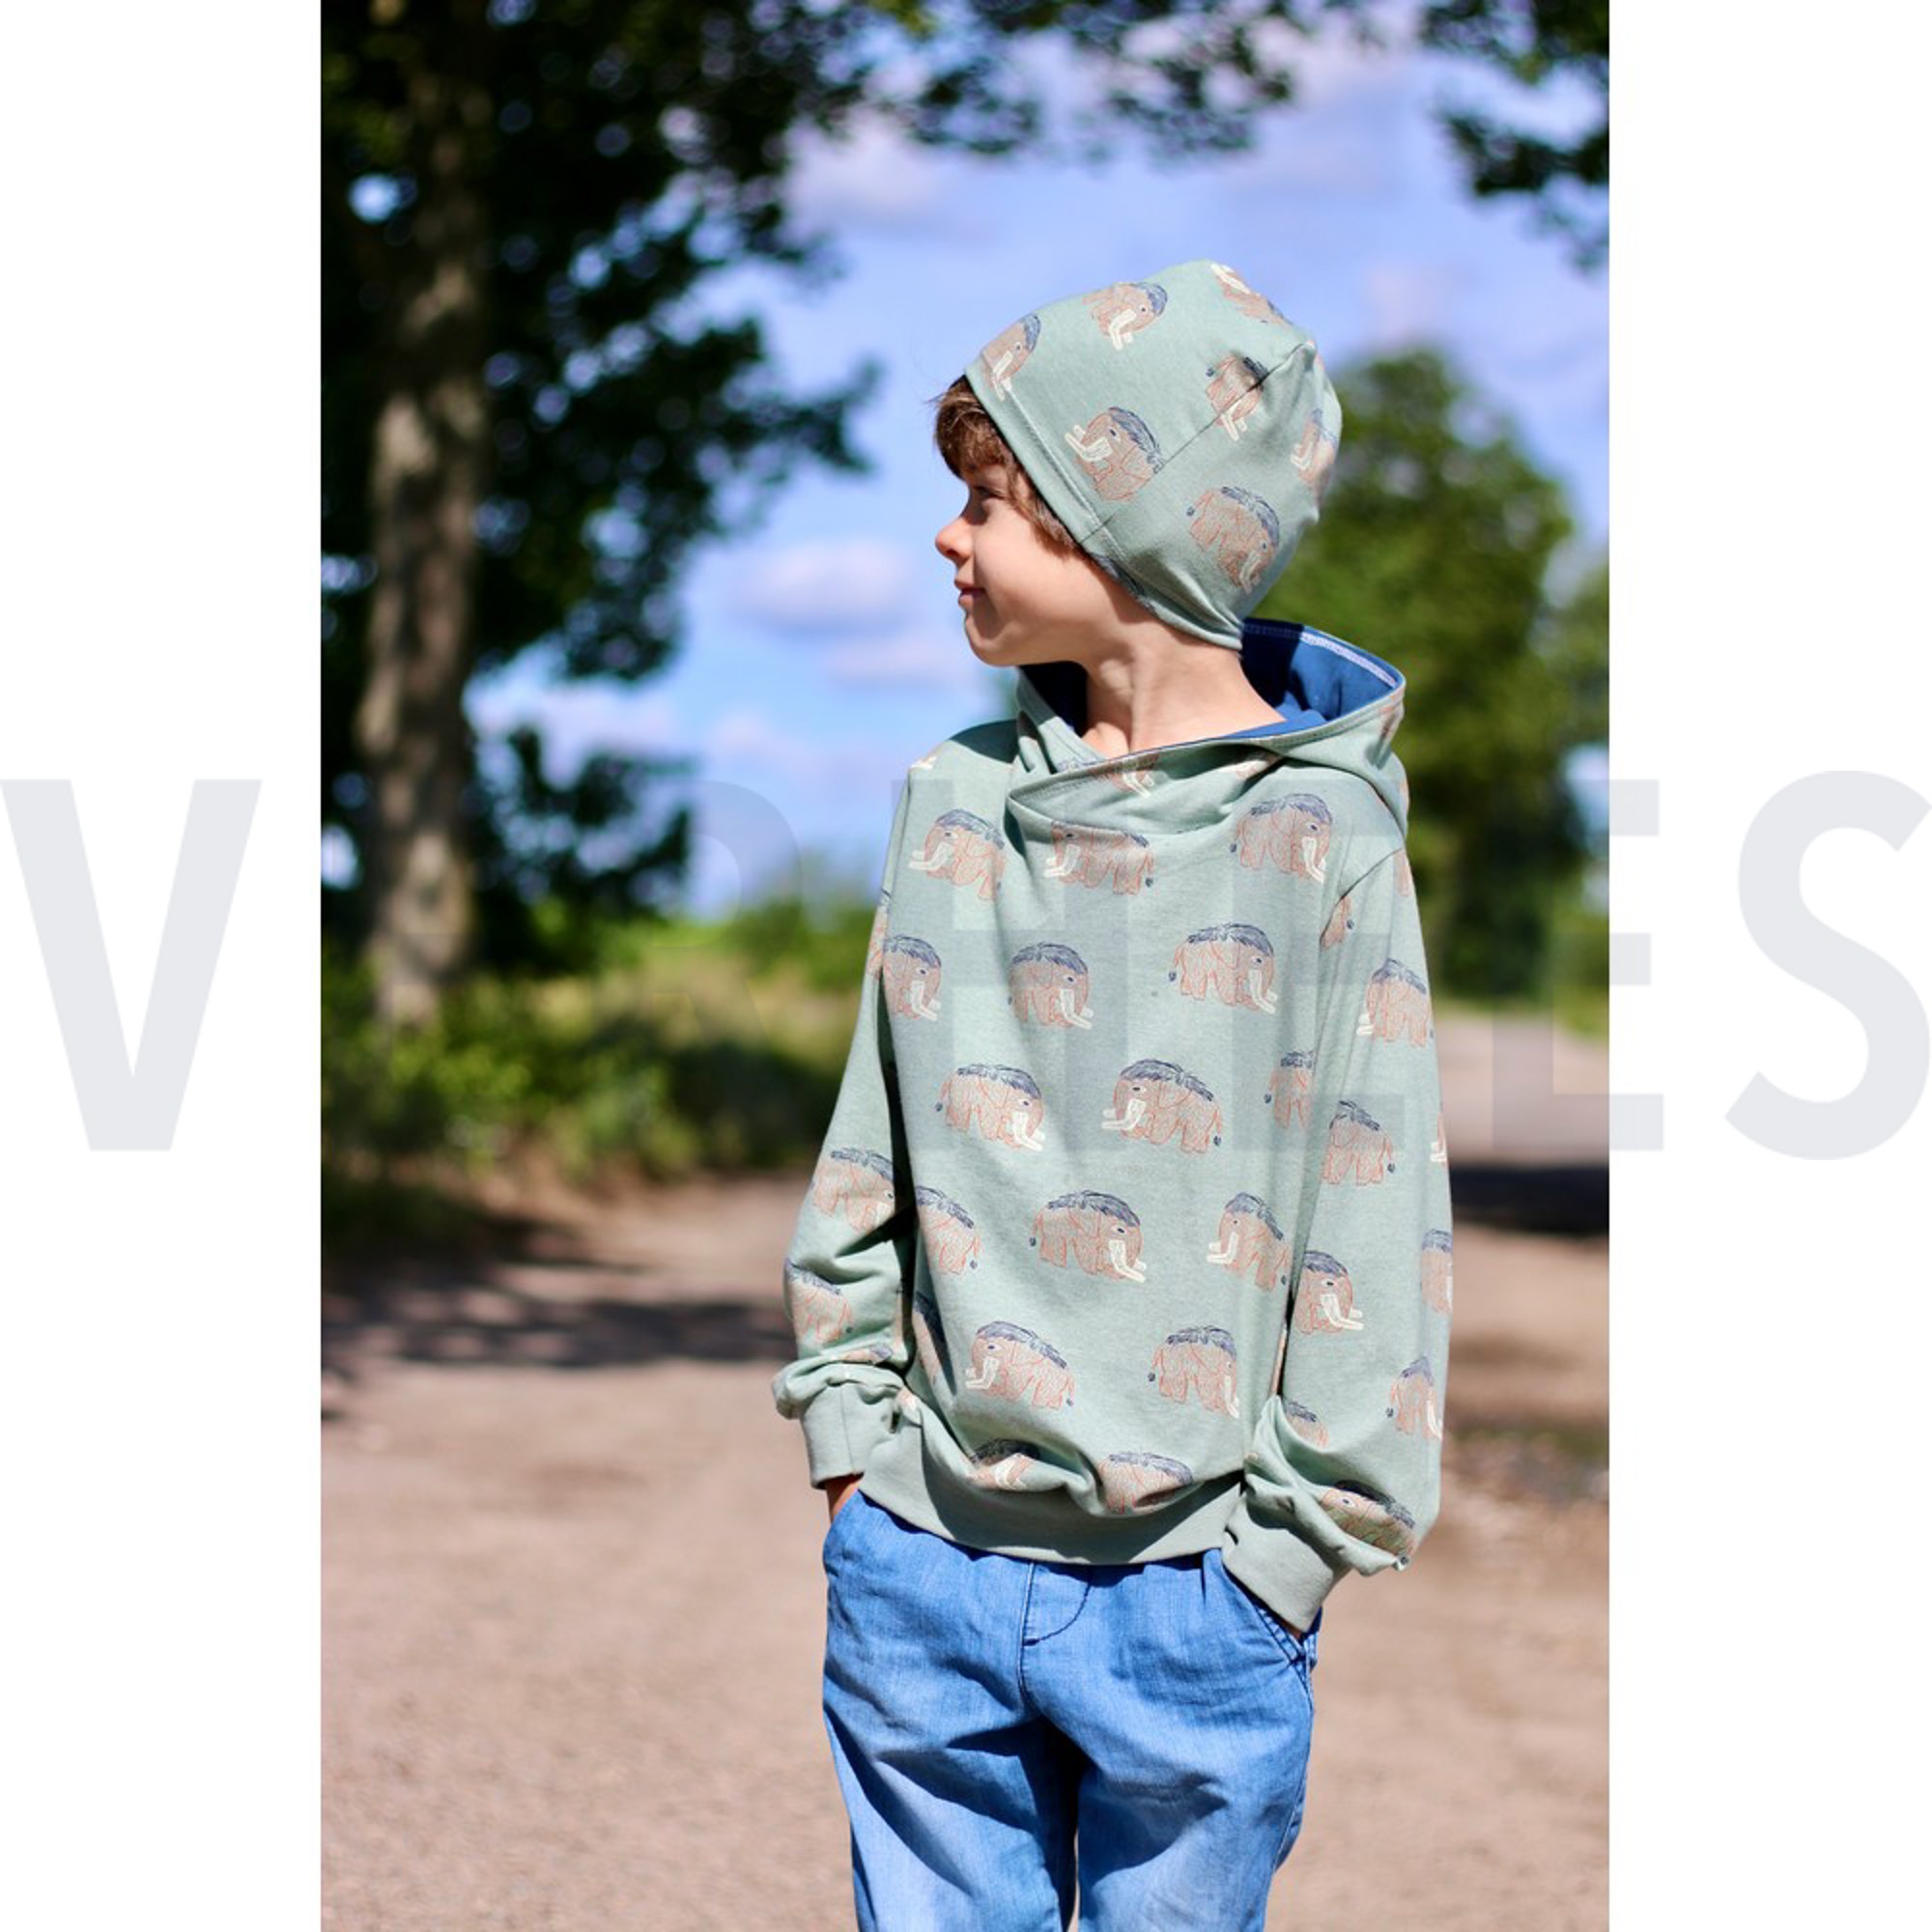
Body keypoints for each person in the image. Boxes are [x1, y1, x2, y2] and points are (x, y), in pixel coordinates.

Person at [770, 257, 1453, 1931]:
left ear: (1114, 525)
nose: (949, 539)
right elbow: (876, 1129)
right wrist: (854, 1440)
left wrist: (1293, 1551)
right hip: (924, 1559)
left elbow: (1374, 1201)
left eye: (988, 505)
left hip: (1203, 1597)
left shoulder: (1325, 838)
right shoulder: (952, 804)